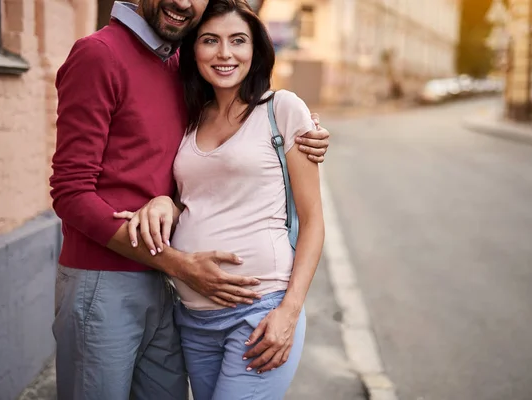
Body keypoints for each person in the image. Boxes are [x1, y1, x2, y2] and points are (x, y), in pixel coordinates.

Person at [48, 0, 330, 399]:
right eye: (212, 41)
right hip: (108, 278)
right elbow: (71, 193)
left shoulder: (179, 65)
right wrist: (178, 261)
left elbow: (204, 174)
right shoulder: (100, 53)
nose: (184, 1)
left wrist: (306, 131)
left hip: (170, 290)